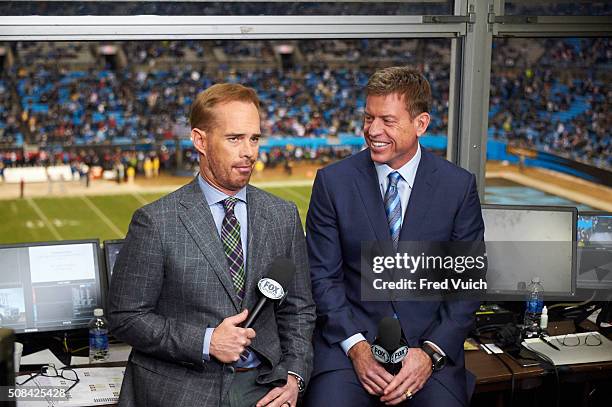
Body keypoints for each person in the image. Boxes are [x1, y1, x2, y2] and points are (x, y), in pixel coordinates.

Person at [108, 83, 316, 407]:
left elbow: (299, 309)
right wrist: (206, 342)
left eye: (254, 138)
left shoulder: (283, 216)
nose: (249, 151)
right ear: (200, 141)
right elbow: (125, 316)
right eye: (235, 139)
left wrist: (294, 378)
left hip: (265, 388)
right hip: (183, 389)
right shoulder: (156, 221)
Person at [304, 67, 484, 407]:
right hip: (349, 351)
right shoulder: (333, 182)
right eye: (368, 118)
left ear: (421, 124)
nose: (373, 130)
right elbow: (322, 278)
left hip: (428, 353)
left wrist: (430, 353)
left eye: (387, 120)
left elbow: (466, 285)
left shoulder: (458, 187)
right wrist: (357, 349)